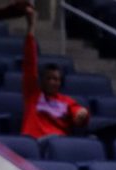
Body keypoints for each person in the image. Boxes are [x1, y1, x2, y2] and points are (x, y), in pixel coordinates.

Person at [20, 5, 88, 138]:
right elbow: (29, 64)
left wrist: (82, 113)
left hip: (58, 144)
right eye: (49, 78)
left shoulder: (67, 102)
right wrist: (31, 28)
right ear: (42, 81)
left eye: (56, 79)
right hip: (34, 143)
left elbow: (79, 115)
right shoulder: (32, 95)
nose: (53, 82)